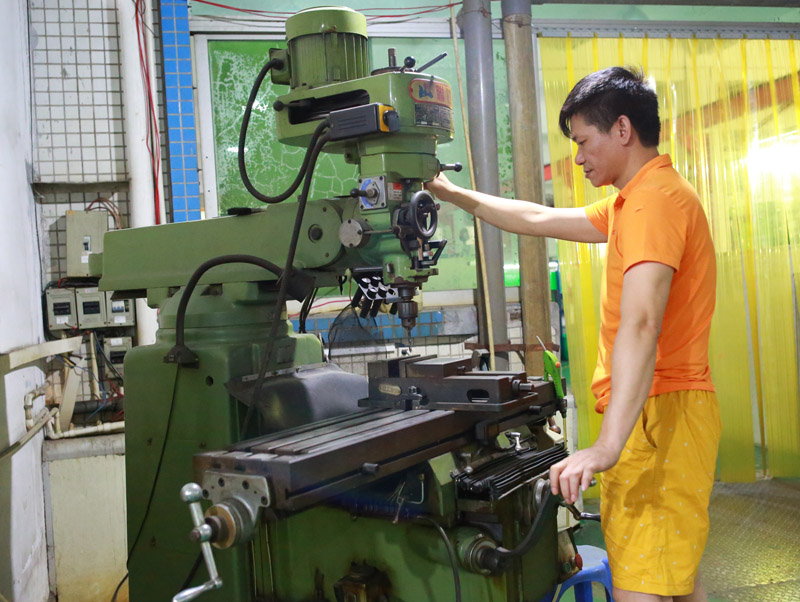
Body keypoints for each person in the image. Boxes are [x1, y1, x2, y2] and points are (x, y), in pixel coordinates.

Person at [425, 66, 719, 602]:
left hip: (659, 413)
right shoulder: (637, 200)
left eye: (583, 141)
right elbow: (537, 218)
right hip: (661, 410)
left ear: (623, 129)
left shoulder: (653, 203)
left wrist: (606, 446)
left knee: (641, 588)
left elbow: (642, 323)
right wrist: (449, 192)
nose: (578, 158)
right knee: (675, 580)